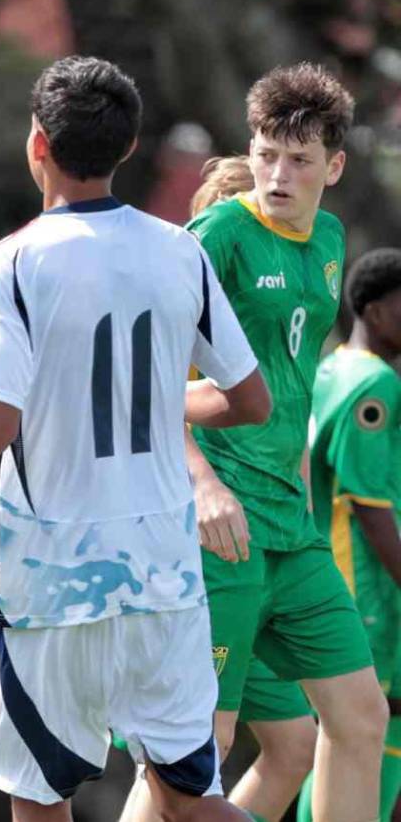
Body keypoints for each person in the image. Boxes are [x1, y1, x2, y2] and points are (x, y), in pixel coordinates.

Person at [0, 55, 271, 821]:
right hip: (163, 576)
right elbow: (248, 399)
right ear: (128, 147)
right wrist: (149, 400)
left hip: (55, 584)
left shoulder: (12, 262)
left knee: (39, 799)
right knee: (190, 802)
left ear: (38, 143)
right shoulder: (179, 250)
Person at [131, 63, 388, 822]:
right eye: (267, 154)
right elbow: (142, 379)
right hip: (218, 528)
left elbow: (295, 375)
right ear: (251, 149)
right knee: (192, 758)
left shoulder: (330, 238)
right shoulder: (217, 236)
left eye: (299, 160)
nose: (278, 175)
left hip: (291, 529)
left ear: (333, 168)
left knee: (358, 717)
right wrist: (203, 485)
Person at [119, 154, 319, 822]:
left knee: (294, 743)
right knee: (192, 748)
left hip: (265, 558)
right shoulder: (187, 317)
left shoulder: (274, 330)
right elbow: (148, 406)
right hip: (203, 553)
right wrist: (203, 481)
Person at [296, 248, 401, 822]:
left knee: (337, 738)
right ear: (375, 309)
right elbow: (369, 504)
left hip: (327, 579)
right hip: (366, 589)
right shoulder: (375, 382)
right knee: (370, 733)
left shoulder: (331, 367)